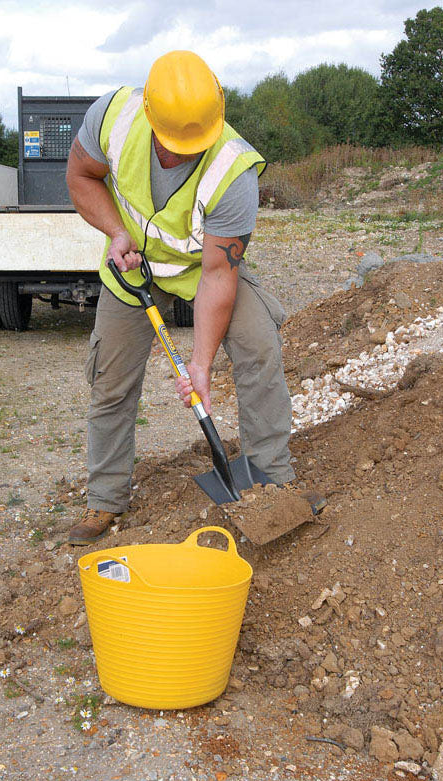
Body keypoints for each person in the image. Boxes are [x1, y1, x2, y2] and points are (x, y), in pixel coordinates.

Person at [65, 50, 298, 545]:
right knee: (110, 378)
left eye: (192, 147)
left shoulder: (234, 171)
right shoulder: (113, 117)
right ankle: (104, 499)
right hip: (132, 269)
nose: (181, 157)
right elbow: (80, 178)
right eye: (172, 147)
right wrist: (114, 231)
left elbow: (218, 274)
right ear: (149, 115)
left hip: (200, 272)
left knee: (260, 345)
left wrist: (199, 364)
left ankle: (273, 482)